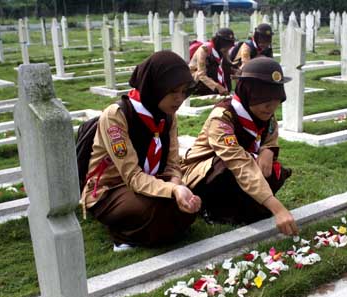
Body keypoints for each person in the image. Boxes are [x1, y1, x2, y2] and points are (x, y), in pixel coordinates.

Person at [81, 51, 201, 251]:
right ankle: (123, 236)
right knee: (151, 208)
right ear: (154, 87)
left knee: (189, 202)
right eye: (173, 91)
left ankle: (159, 228)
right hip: (111, 189)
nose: (180, 98)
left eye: (184, 91)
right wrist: (172, 190)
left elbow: (172, 164)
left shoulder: (168, 115)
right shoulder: (117, 115)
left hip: (152, 181)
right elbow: (132, 176)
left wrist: (176, 185)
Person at [181, 57, 299, 236]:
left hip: (242, 168)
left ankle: (239, 206)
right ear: (247, 92)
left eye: (276, 98)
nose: (271, 106)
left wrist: (268, 150)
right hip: (206, 173)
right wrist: (277, 208)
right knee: (226, 168)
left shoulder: (265, 114)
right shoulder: (222, 117)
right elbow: (238, 162)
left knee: (274, 171)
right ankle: (211, 208)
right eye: (264, 98)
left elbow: (270, 137)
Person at [189, 28, 236, 96]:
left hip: (214, 77)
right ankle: (211, 93)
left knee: (226, 67)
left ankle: (226, 91)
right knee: (211, 68)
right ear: (219, 42)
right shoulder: (204, 50)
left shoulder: (223, 50)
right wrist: (218, 86)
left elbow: (228, 64)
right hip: (198, 79)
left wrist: (235, 71)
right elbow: (201, 75)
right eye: (226, 44)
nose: (228, 48)